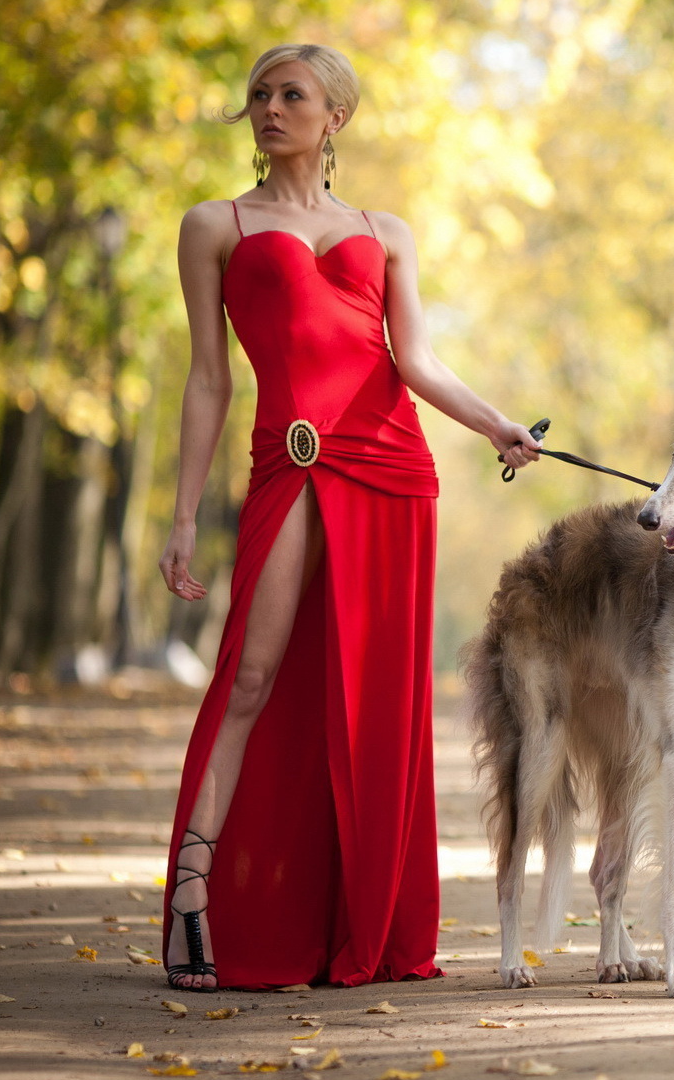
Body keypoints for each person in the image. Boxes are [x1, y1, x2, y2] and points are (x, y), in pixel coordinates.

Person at [157, 43, 542, 991]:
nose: (269, 108)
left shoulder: (387, 228)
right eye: (259, 95)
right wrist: (178, 517)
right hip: (290, 462)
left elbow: (414, 360)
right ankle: (192, 896)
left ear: (335, 117)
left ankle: (362, 921)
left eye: (292, 95)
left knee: (376, 699)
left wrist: (495, 423)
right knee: (252, 672)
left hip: (393, 468)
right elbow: (209, 380)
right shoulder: (216, 225)